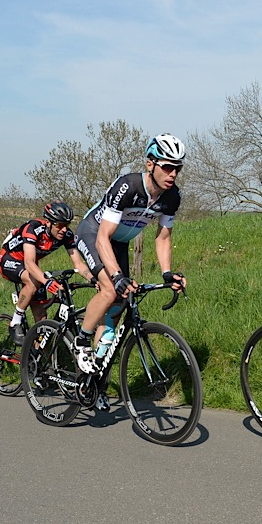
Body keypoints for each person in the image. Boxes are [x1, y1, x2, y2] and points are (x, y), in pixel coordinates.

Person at [73, 134, 187, 385]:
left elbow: (163, 237)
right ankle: (81, 340)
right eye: (167, 167)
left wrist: (167, 273)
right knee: (110, 289)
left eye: (177, 169)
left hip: (119, 243)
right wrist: (116, 276)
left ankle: (93, 381)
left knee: (118, 305)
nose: (173, 174)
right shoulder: (129, 186)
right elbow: (103, 237)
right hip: (94, 233)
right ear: (150, 164)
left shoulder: (172, 197)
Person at [0, 201, 93, 344]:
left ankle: (36, 353)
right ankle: (15, 322)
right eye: (59, 225)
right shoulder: (33, 228)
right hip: (10, 258)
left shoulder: (66, 235)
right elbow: (29, 263)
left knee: (41, 316)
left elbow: (78, 264)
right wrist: (47, 282)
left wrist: (94, 279)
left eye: (66, 225)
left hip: (30, 264)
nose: (63, 229)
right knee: (34, 281)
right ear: (48, 222)